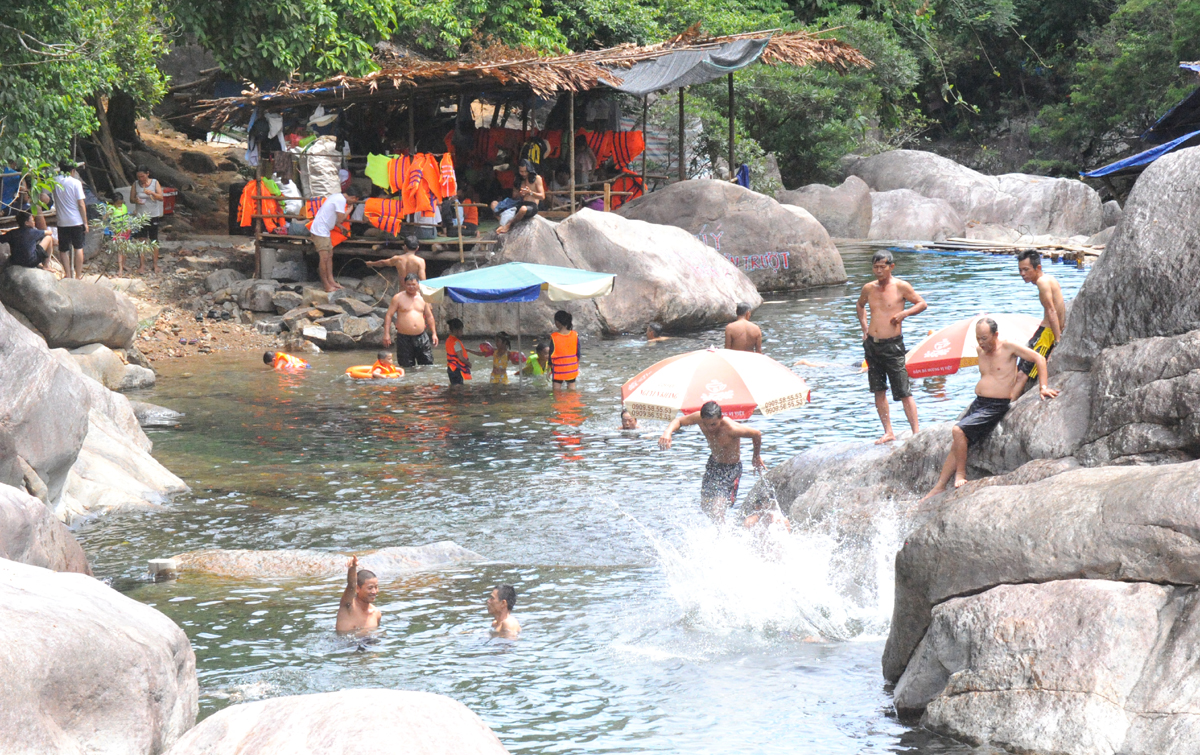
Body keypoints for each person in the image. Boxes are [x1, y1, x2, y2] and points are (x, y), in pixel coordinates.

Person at [923, 318, 1060, 500]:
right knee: (958, 442)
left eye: (985, 338)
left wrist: (1043, 387)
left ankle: (961, 474)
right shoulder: (980, 350)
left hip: (996, 405)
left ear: (995, 335)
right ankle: (939, 486)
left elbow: (1039, 358)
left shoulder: (1009, 347)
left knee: (958, 431)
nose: (981, 343)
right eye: (978, 338)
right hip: (979, 402)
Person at [856, 250, 927, 444]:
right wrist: (864, 328)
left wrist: (904, 314)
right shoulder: (869, 288)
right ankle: (888, 431)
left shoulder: (901, 286)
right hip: (872, 345)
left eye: (882, 267)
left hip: (893, 345)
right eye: (875, 267)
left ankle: (916, 432)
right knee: (878, 390)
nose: (878, 271)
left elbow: (922, 303)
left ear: (891, 267)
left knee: (904, 390)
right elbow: (860, 305)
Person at [658, 400, 766, 523]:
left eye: (714, 424)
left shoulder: (731, 428)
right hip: (713, 465)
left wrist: (756, 457)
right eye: (706, 424)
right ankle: (723, 527)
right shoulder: (699, 418)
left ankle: (724, 533)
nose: (710, 428)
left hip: (731, 470)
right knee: (705, 506)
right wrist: (667, 432)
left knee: (717, 510)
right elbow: (679, 421)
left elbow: (756, 434)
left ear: (721, 418)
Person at [1014, 250, 1067, 392]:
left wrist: (1057, 340)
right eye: (1020, 270)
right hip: (1046, 332)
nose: (1022, 274)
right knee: (1020, 365)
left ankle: (1010, 405)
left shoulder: (1042, 282)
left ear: (1038, 268)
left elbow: (1051, 311)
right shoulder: (1049, 279)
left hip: (1046, 335)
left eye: (1026, 269)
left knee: (1022, 375)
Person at [309, 185, 363, 292]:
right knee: (324, 258)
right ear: (354, 198)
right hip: (320, 231)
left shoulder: (336, 196)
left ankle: (331, 281)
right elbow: (341, 218)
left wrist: (340, 227)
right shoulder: (341, 200)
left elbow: (334, 218)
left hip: (324, 230)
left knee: (329, 256)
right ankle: (326, 285)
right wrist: (349, 210)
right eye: (355, 200)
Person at [382, 272, 438, 367]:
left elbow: (429, 316)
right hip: (404, 338)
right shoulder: (398, 298)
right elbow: (389, 315)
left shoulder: (423, 298)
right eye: (408, 284)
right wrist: (386, 334)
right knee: (406, 365)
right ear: (404, 285)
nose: (411, 287)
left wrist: (434, 334)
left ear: (418, 284)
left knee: (427, 364)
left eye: (413, 284)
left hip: (421, 336)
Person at [52, 160, 88, 280]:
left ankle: (67, 274)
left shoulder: (54, 181)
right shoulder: (76, 183)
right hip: (76, 221)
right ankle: (78, 275)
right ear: (72, 171)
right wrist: (85, 222)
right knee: (78, 248)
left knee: (63, 249)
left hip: (62, 221)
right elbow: (81, 204)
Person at [127, 165, 163, 272]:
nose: (140, 179)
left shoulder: (155, 183)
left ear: (147, 174)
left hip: (153, 215)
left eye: (142, 176)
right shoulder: (135, 184)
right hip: (140, 216)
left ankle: (155, 264)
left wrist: (152, 193)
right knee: (141, 240)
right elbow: (131, 199)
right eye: (138, 177)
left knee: (154, 240)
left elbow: (161, 198)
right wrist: (136, 200)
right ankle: (142, 265)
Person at [335, 556, 381, 634]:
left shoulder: (376, 613)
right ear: (357, 588)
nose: (374, 592)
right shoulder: (348, 606)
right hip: (345, 641)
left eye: (376, 587)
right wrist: (352, 568)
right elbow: (351, 586)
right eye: (370, 588)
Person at [497, 160, 545, 234]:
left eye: (525, 171)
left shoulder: (537, 178)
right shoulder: (518, 179)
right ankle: (503, 224)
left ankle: (509, 225)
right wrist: (520, 194)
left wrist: (530, 192)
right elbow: (514, 196)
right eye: (521, 171)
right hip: (521, 203)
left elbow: (542, 196)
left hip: (532, 206)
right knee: (497, 206)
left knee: (523, 209)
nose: (523, 174)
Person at [445, 318, 483, 385]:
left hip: (450, 367)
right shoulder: (456, 342)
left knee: (454, 385)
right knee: (458, 386)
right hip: (457, 369)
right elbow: (460, 357)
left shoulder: (448, 340)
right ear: (456, 330)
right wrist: (468, 363)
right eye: (461, 330)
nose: (462, 332)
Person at [549, 310, 580, 388]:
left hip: (558, 369)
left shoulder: (554, 337)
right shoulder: (575, 335)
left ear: (557, 322)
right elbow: (578, 353)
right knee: (572, 389)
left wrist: (549, 368)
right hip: (571, 368)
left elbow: (551, 354)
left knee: (556, 391)